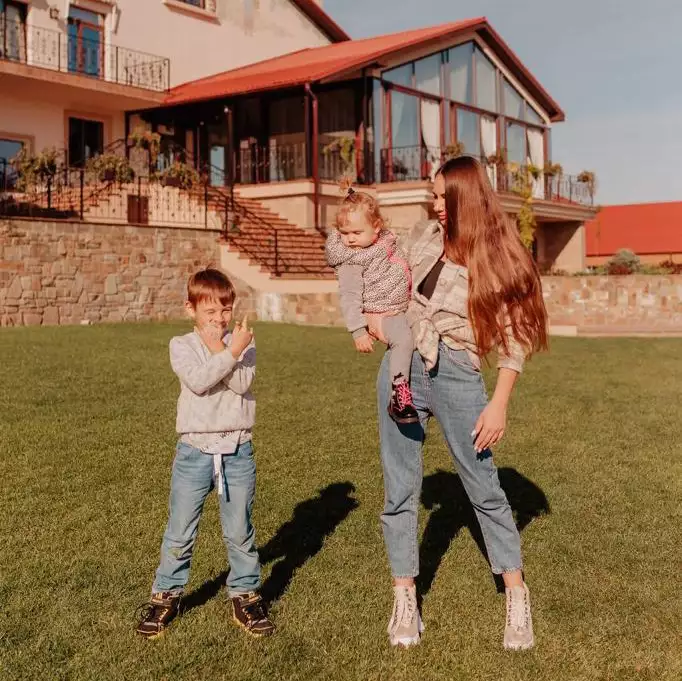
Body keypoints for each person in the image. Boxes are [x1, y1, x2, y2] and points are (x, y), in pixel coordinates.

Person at [371, 156, 548, 650]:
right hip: (403, 366)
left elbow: (516, 338)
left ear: (463, 197)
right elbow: (386, 280)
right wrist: (373, 318)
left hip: (456, 371)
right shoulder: (423, 237)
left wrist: (499, 403)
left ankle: (516, 592)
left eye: (440, 196)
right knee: (399, 486)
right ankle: (404, 596)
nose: (433, 204)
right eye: (432, 195)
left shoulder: (498, 256)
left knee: (483, 487)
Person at [135, 268, 275, 639]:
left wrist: (231, 348)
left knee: (240, 531)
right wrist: (228, 351)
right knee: (180, 531)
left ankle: (245, 594)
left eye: (225, 310)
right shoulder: (181, 344)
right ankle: (166, 595)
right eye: (210, 312)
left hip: (237, 451)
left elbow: (241, 382)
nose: (219, 319)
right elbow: (198, 382)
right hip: (194, 451)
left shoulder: (244, 341)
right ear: (191, 309)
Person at [326, 181, 417, 423]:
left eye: (356, 233)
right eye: (344, 233)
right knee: (404, 339)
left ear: (376, 227)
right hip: (382, 313)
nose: (350, 240)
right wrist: (358, 331)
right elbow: (349, 297)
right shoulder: (351, 260)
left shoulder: (385, 244)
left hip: (400, 306)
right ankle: (400, 395)